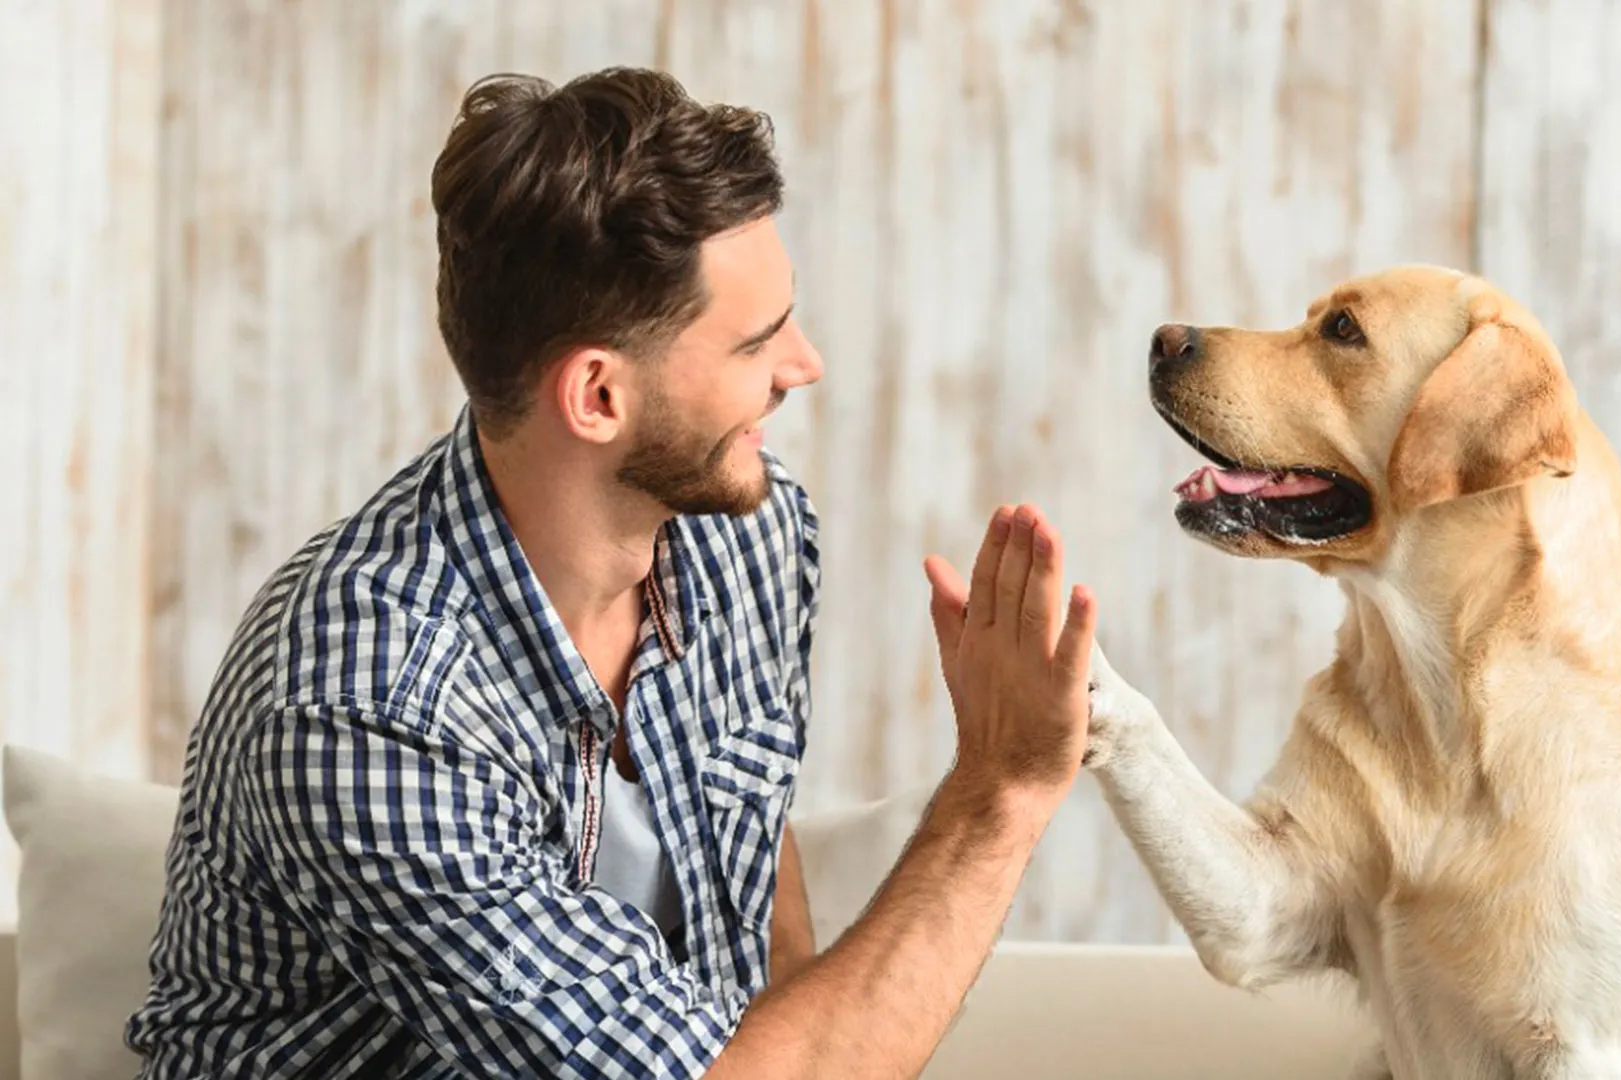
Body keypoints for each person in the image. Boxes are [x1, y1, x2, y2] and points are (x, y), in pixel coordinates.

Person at [124, 64, 1099, 1079]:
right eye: (756, 342)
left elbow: (758, 900)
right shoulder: (369, 702)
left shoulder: (746, 538)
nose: (804, 365)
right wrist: (1002, 790)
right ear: (597, 396)